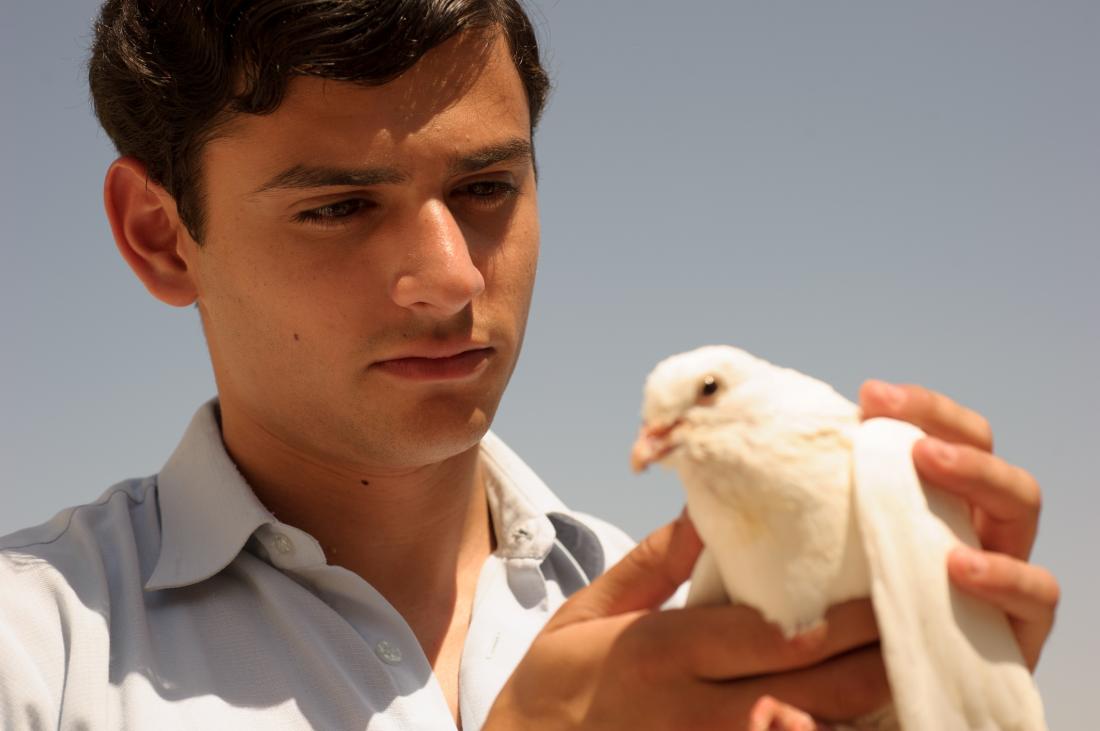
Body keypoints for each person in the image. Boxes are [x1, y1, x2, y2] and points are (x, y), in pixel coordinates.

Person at [0, 1, 1059, 729]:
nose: (449, 277)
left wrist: (925, 679)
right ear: (159, 235)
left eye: (486, 188)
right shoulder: (32, 655)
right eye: (338, 208)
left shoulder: (709, 622)